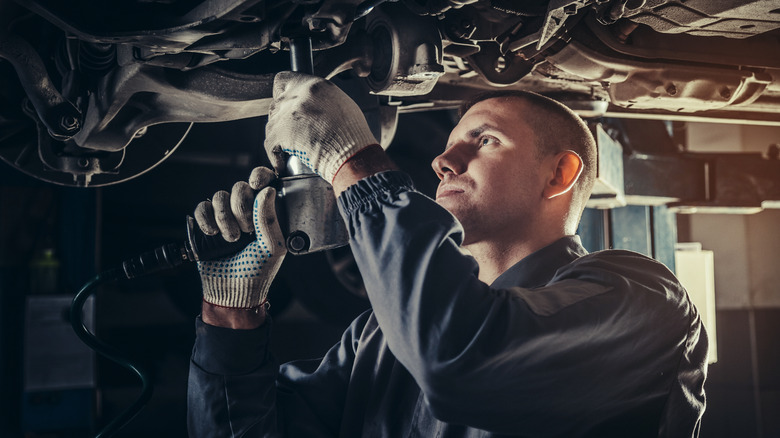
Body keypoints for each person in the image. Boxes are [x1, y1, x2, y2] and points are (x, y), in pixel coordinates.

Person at [187, 72, 708, 437]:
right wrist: (230, 310)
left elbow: (460, 357)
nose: (443, 160)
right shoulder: (380, 337)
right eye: (451, 143)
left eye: (485, 140)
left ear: (559, 174)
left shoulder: (645, 305)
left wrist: (352, 161)